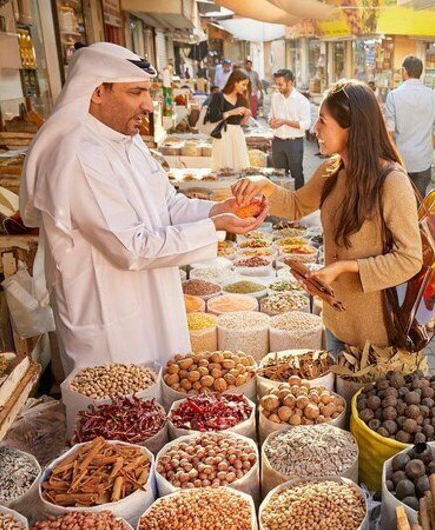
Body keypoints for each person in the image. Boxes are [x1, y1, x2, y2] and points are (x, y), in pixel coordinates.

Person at [19, 42, 267, 374]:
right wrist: (215, 227)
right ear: (96, 92)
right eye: (136, 92)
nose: (148, 105)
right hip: (109, 320)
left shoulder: (126, 140)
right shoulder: (77, 157)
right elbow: (131, 248)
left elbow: (167, 203)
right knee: (115, 416)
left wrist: (218, 209)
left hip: (152, 303)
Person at [230, 80, 423, 354]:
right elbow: (296, 205)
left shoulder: (391, 182)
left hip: (375, 332)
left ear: (352, 128)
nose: (314, 129)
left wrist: (345, 267)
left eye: (322, 121)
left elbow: (410, 259)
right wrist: (264, 184)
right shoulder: (333, 170)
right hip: (334, 320)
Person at [384, 56, 435, 196]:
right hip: (423, 162)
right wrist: (427, 150)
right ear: (420, 73)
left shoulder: (393, 96)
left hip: (400, 161)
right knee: (418, 206)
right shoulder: (434, 97)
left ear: (404, 71)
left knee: (399, 205)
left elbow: (389, 133)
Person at [269, 69, 311, 188]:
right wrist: (270, 122)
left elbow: (306, 124)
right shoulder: (275, 97)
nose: (278, 87)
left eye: (280, 84)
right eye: (276, 84)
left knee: (296, 174)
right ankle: (281, 203)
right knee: (278, 174)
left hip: (294, 143)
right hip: (277, 141)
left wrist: (285, 122)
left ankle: (299, 203)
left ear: (290, 83)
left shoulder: (302, 101)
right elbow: (270, 115)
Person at [206, 69, 252, 171]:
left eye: (246, 85)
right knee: (223, 167)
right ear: (235, 82)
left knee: (239, 167)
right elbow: (212, 118)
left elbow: (240, 123)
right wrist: (231, 112)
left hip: (237, 134)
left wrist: (246, 116)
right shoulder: (218, 96)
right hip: (222, 134)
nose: (245, 88)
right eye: (243, 84)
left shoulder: (242, 99)